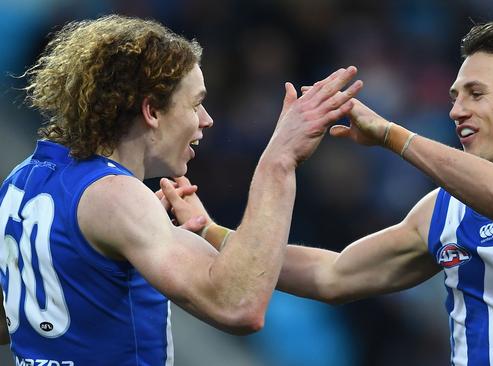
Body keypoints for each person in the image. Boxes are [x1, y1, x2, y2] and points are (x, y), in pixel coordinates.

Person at [163, 21, 493, 365]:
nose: (456, 111)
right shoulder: (442, 211)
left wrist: (391, 134)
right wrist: (214, 233)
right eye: (453, 96)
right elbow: (334, 274)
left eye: (475, 94)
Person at [0, 14, 363, 365]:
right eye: (196, 103)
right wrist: (280, 160)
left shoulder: (20, 182)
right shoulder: (115, 195)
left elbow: (14, 316)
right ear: (152, 110)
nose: (206, 119)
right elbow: (238, 306)